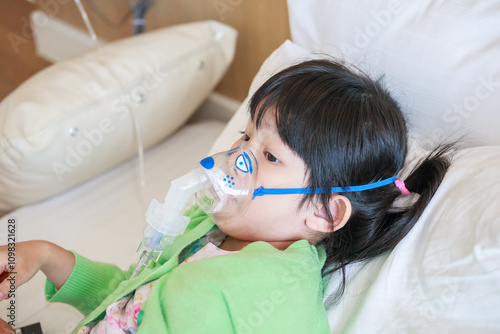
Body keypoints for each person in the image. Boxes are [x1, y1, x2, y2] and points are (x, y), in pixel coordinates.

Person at [0, 59, 453, 333]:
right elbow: (130, 304)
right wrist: (47, 256)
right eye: (245, 136)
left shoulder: (258, 293)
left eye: (270, 156)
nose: (235, 158)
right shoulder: (216, 234)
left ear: (325, 211)